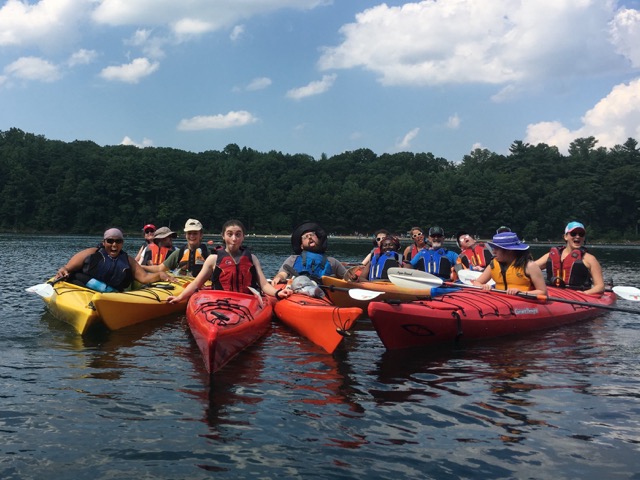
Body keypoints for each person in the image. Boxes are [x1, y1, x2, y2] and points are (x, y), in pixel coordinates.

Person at [167, 220, 292, 303]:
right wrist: (179, 297)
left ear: (243, 237)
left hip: (246, 301)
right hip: (219, 301)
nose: (234, 238)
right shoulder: (213, 259)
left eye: (238, 234)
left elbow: (264, 285)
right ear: (223, 236)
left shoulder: (252, 258)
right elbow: (196, 284)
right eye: (230, 234)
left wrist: (277, 293)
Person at [55, 228, 173, 292]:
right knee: (73, 275)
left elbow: (144, 278)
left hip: (111, 293)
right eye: (110, 241)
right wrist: (63, 270)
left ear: (122, 243)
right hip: (82, 287)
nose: (114, 245)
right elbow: (67, 268)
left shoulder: (128, 260)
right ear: (104, 242)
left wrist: (160, 275)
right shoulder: (92, 252)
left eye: (118, 241)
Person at [534, 221, 604, 295]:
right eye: (573, 234)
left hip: (576, 296)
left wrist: (584, 293)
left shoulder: (590, 259)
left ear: (584, 238)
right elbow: (530, 269)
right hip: (552, 293)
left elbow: (600, 286)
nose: (578, 236)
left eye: (581, 234)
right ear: (565, 236)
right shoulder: (551, 255)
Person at [270, 222, 348, 285]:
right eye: (305, 237)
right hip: (297, 293)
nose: (310, 237)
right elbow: (283, 273)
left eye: (312, 235)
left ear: (319, 240)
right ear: (301, 246)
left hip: (323, 296)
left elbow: (348, 278)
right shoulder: (293, 259)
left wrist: (353, 276)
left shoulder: (332, 262)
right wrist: (279, 277)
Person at [472, 231, 547, 296]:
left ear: (509, 250)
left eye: (497, 249)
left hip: (524, 303)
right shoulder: (493, 264)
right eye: (494, 248)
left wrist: (521, 292)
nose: (494, 252)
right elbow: (477, 283)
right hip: (501, 301)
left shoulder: (530, 266)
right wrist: (483, 286)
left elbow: (542, 292)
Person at [143, 218, 210, 277]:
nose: (192, 236)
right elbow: (160, 268)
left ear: (201, 235)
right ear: (185, 235)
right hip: (182, 285)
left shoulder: (209, 254)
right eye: (189, 233)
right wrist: (140, 267)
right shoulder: (178, 253)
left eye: (195, 233)